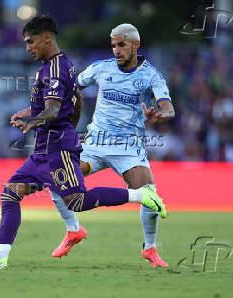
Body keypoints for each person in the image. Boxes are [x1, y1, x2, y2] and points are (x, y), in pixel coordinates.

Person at [0, 17, 166, 270]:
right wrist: (31, 113)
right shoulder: (55, 65)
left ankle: (140, 195)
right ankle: (0, 256)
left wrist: (33, 122)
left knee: (76, 201)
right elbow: (68, 101)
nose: (27, 47)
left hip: (57, 151)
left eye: (31, 42)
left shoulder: (55, 70)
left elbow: (52, 110)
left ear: (47, 38)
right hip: (43, 150)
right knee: (10, 194)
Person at [50, 24, 175, 268]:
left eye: (121, 45)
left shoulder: (150, 75)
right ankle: (73, 230)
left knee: (149, 194)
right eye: (113, 45)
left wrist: (160, 114)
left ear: (135, 45)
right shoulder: (100, 68)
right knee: (56, 176)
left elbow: (168, 106)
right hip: (95, 144)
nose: (116, 50)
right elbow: (73, 87)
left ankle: (149, 248)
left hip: (128, 148)